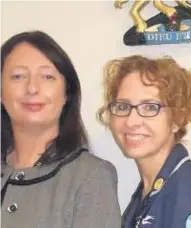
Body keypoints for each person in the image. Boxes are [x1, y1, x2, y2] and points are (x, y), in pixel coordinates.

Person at [1, 30, 121, 228]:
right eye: (18, 76)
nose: (32, 88)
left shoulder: (91, 176)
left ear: (67, 94)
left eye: (47, 77)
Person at [97, 55, 191, 228]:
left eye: (150, 107)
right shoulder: (147, 192)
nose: (131, 121)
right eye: (123, 106)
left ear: (177, 119)